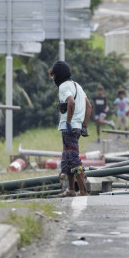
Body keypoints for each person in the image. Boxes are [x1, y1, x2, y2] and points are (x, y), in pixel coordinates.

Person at [50, 60, 92, 197]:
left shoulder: (63, 87)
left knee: (73, 159)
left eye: (54, 75)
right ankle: (71, 190)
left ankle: (83, 191)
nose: (53, 78)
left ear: (59, 75)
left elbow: (71, 102)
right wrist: (84, 125)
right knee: (66, 158)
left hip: (70, 128)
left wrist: (68, 121)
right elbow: (89, 106)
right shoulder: (77, 86)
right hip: (77, 127)